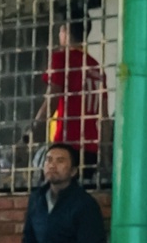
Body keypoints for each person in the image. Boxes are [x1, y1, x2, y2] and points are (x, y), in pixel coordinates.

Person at [31, 16, 105, 178]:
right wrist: (105, 155)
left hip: (65, 146)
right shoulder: (97, 68)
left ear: (65, 32)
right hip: (91, 148)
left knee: (52, 188)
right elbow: (104, 117)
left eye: (60, 31)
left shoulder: (62, 58)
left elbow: (52, 100)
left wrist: (31, 133)